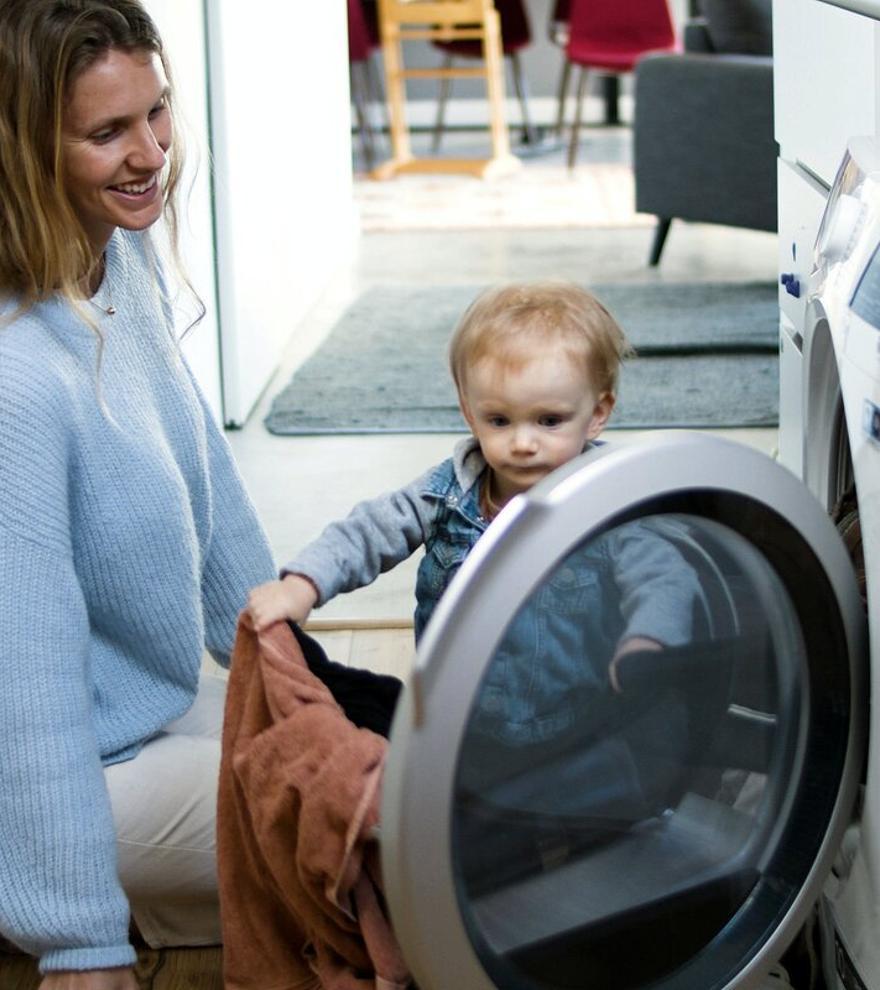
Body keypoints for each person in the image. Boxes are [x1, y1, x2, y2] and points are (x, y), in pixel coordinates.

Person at [0, 2, 276, 987]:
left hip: (133, 716)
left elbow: (202, 469)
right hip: (40, 776)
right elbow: (21, 687)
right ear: (26, 148)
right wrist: (78, 942)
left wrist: (281, 657)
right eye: (107, 132)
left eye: (156, 114)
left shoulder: (118, 259)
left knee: (395, 736)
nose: (151, 152)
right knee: (393, 804)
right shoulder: (15, 377)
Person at [249, 281, 695, 687]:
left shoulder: (611, 500)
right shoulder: (447, 493)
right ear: (469, 412)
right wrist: (302, 585)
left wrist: (647, 645)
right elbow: (369, 531)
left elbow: (663, 574)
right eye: (498, 420)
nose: (523, 443)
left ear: (597, 414)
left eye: (549, 421)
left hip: (580, 723)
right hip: (456, 718)